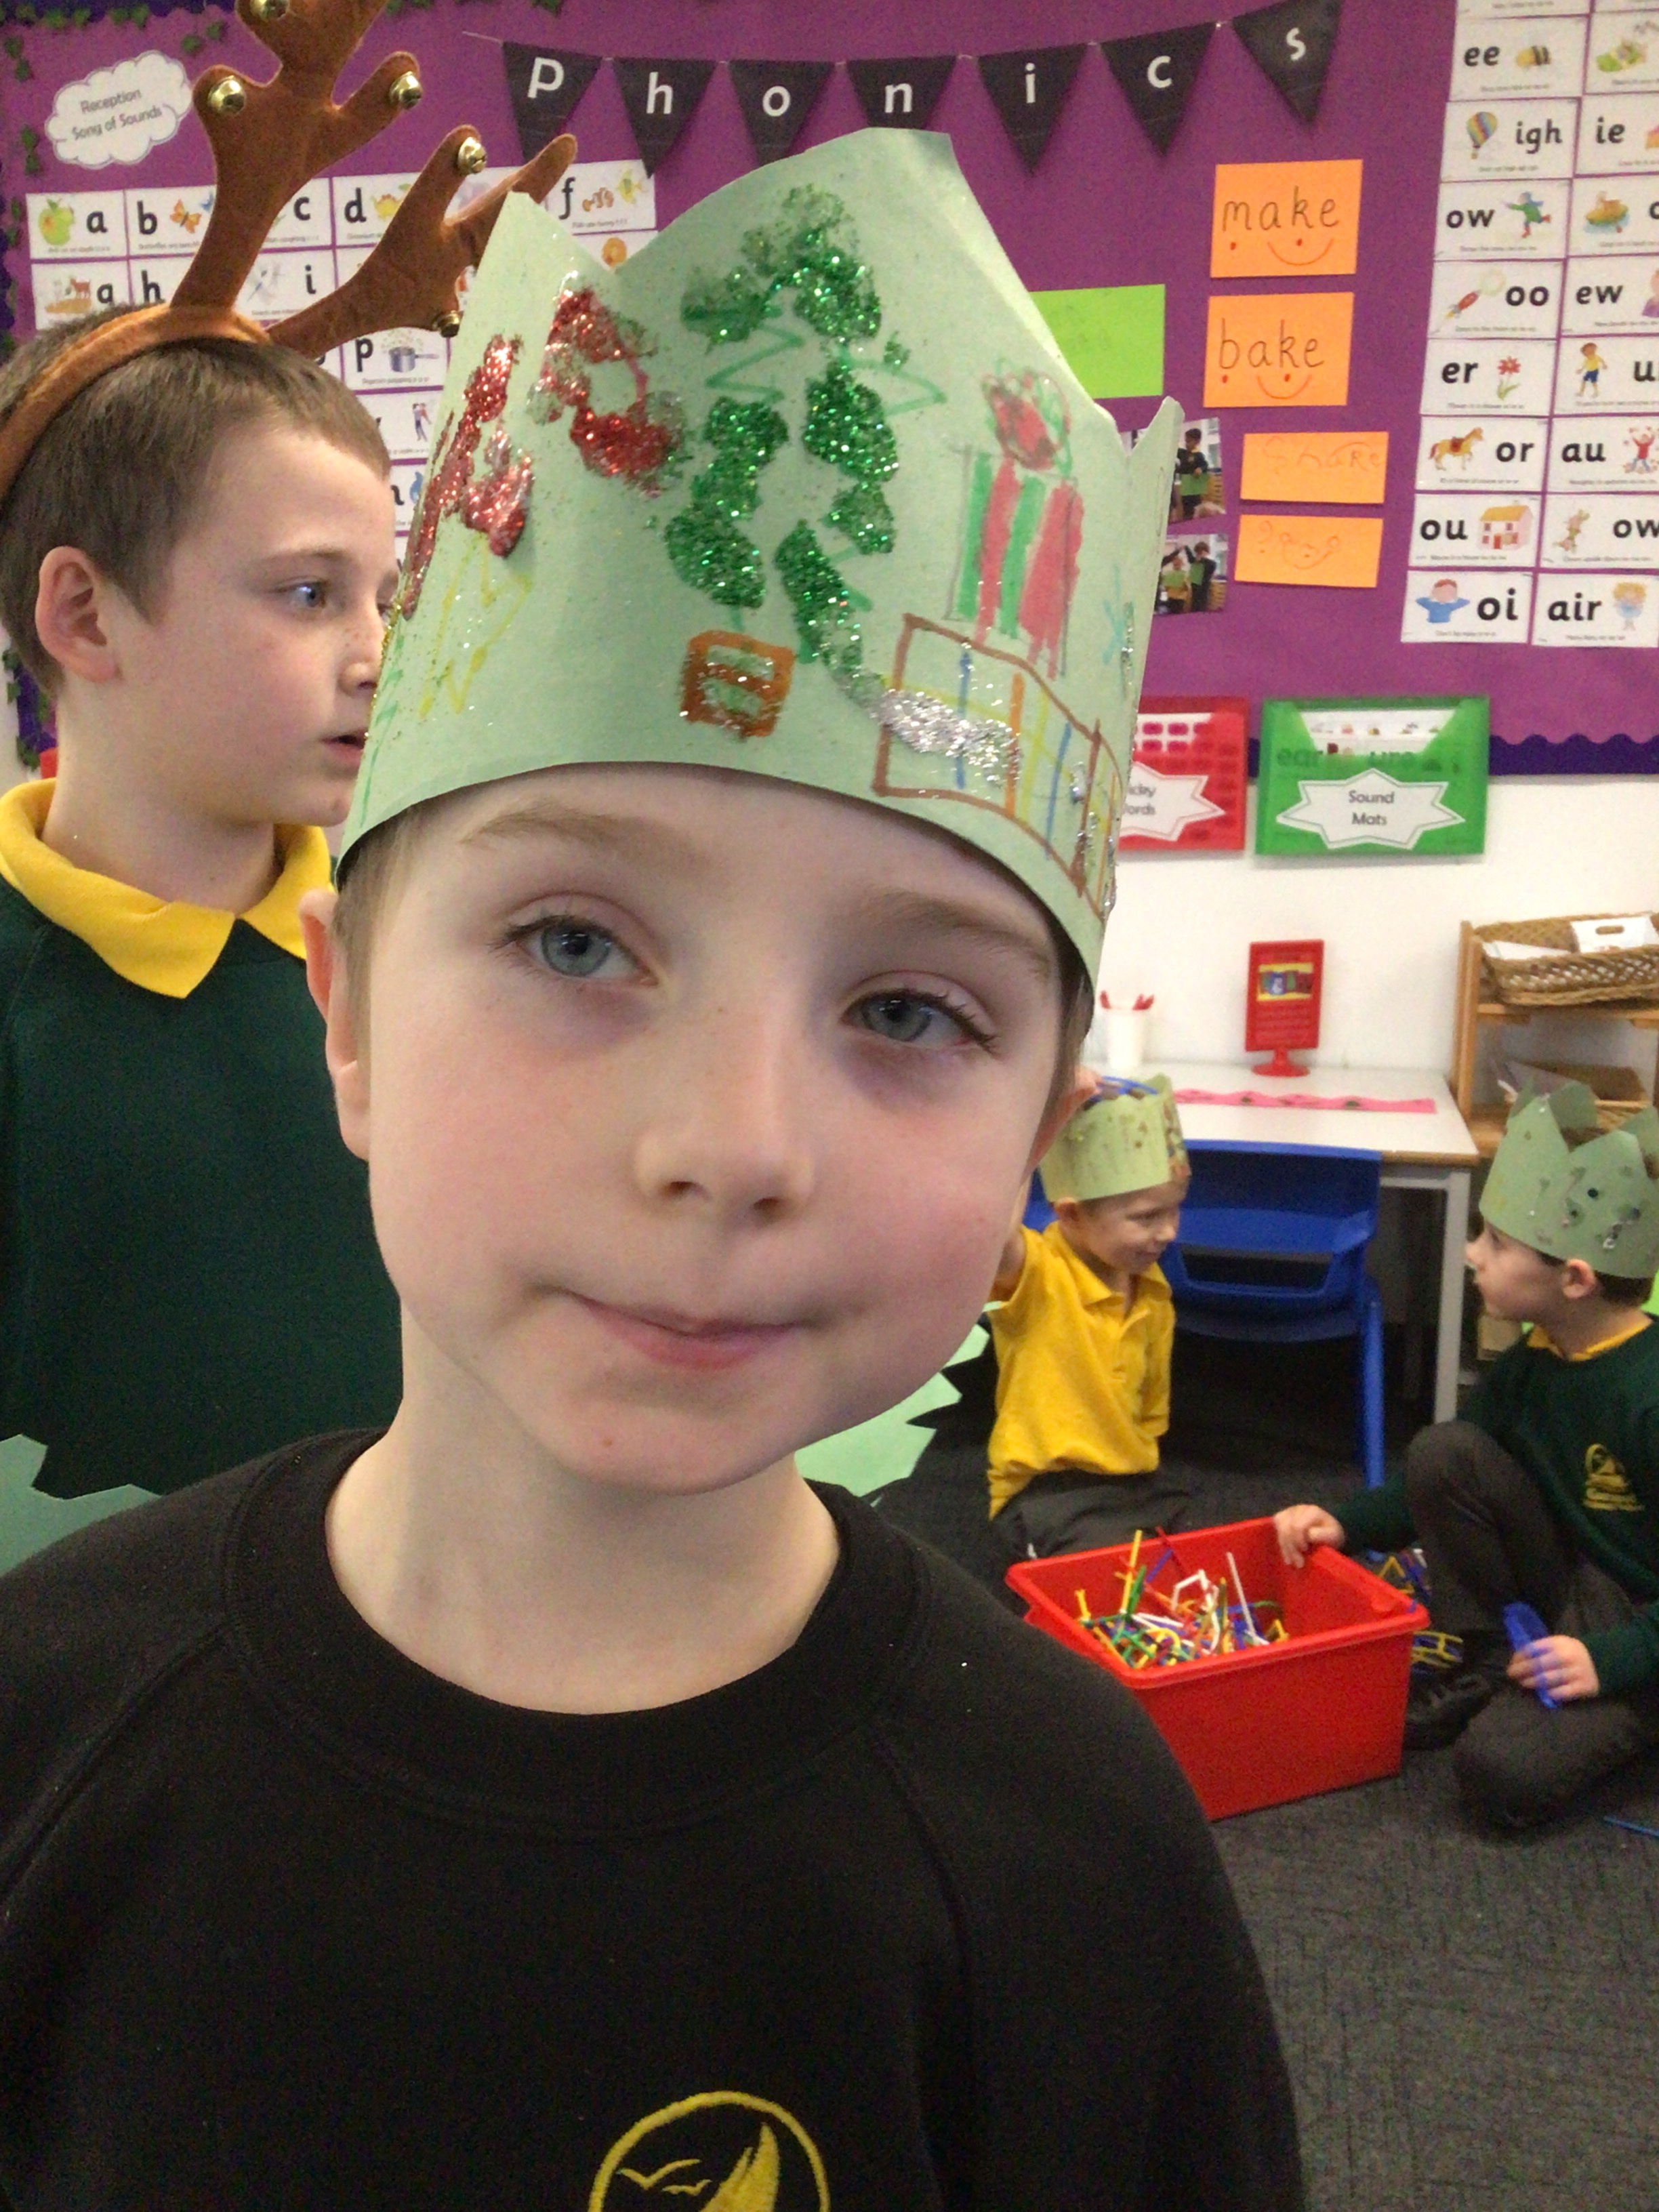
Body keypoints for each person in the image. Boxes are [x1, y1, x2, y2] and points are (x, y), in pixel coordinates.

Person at [0, 128, 1303, 2206]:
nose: (732, 1148)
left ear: (1049, 1101)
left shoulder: (1072, 1851)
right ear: (345, 1014)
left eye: (910, 1010)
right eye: (573, 944)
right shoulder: (50, 1724)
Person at [0, 311, 404, 1528]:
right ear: (86, 615)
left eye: (385, 597)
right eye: (309, 593)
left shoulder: (423, 941)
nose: (377, 654)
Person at [1274, 1083, 1659, 1830]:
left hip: (1641, 1618)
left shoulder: (1647, 1394)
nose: (1471, 1253)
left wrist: (1615, 1660)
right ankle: (1491, 1659)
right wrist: (1346, 1524)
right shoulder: (1538, 1354)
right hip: (1570, 1576)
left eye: (1497, 1243)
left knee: (1499, 1775)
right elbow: (1449, 1470)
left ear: (1575, 1279)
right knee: (1445, 1451)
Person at [987, 1076, 1190, 1560]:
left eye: (1174, 1211)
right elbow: (995, 1231)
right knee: (1101, 1579)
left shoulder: (1152, 1290)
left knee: (1203, 1558)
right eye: (1146, 1217)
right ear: (1072, 1215)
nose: (1168, 1232)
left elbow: (1151, 1411)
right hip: (1047, 1492)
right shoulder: (1039, 1274)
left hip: (1132, 1484)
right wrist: (1037, 1122)